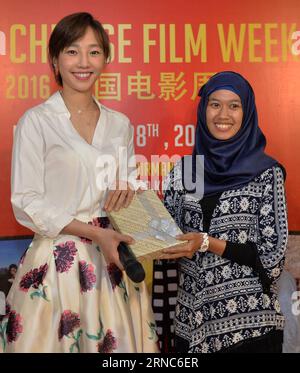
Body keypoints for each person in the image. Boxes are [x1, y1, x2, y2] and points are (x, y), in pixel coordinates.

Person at [1, 12, 158, 353]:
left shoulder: (120, 125)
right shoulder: (37, 122)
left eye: (94, 51)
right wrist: (93, 233)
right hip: (58, 263)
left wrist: (136, 199)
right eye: (72, 51)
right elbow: (26, 200)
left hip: (114, 262)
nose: (83, 62)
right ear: (54, 59)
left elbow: (126, 194)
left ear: (105, 59)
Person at [153, 71, 288, 353]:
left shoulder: (266, 172)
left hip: (249, 329)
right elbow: (163, 237)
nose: (222, 114)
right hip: (190, 326)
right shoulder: (184, 171)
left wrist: (207, 243)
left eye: (233, 105)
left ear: (246, 112)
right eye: (215, 104)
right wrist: (131, 203)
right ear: (204, 111)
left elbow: (272, 258)